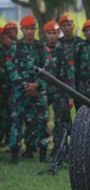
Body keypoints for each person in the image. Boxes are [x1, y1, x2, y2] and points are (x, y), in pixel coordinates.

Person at [5, 15, 49, 163]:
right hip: (20, 92)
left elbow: (47, 68)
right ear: (22, 30)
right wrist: (24, 85)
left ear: (35, 29)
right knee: (16, 121)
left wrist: (37, 84)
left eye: (32, 29)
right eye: (26, 29)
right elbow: (10, 69)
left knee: (41, 121)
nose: (29, 32)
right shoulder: (14, 47)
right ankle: (14, 154)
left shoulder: (41, 46)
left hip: (38, 91)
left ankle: (42, 153)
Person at [42, 20, 74, 157]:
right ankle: (40, 148)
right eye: (50, 33)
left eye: (55, 33)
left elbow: (70, 74)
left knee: (60, 121)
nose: (52, 36)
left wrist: (71, 95)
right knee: (41, 119)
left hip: (60, 91)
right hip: (42, 90)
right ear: (45, 34)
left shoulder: (64, 51)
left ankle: (60, 149)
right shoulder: (40, 50)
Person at [0, 27, 15, 146]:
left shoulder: (12, 51)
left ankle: (8, 141)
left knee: (8, 117)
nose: (9, 40)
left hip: (9, 91)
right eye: (6, 38)